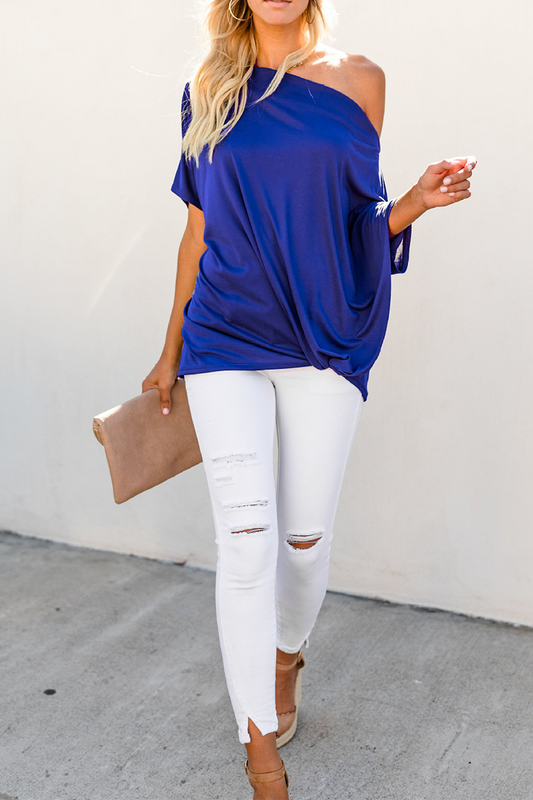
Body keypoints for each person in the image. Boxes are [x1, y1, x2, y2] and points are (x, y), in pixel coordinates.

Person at [142, 1, 477, 796]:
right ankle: (260, 749)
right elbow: (198, 229)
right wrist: (170, 348)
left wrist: (414, 201)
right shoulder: (207, 87)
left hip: (322, 329)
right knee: (245, 542)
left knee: (301, 541)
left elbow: (354, 218)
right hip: (224, 333)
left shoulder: (360, 80)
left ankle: (284, 655)